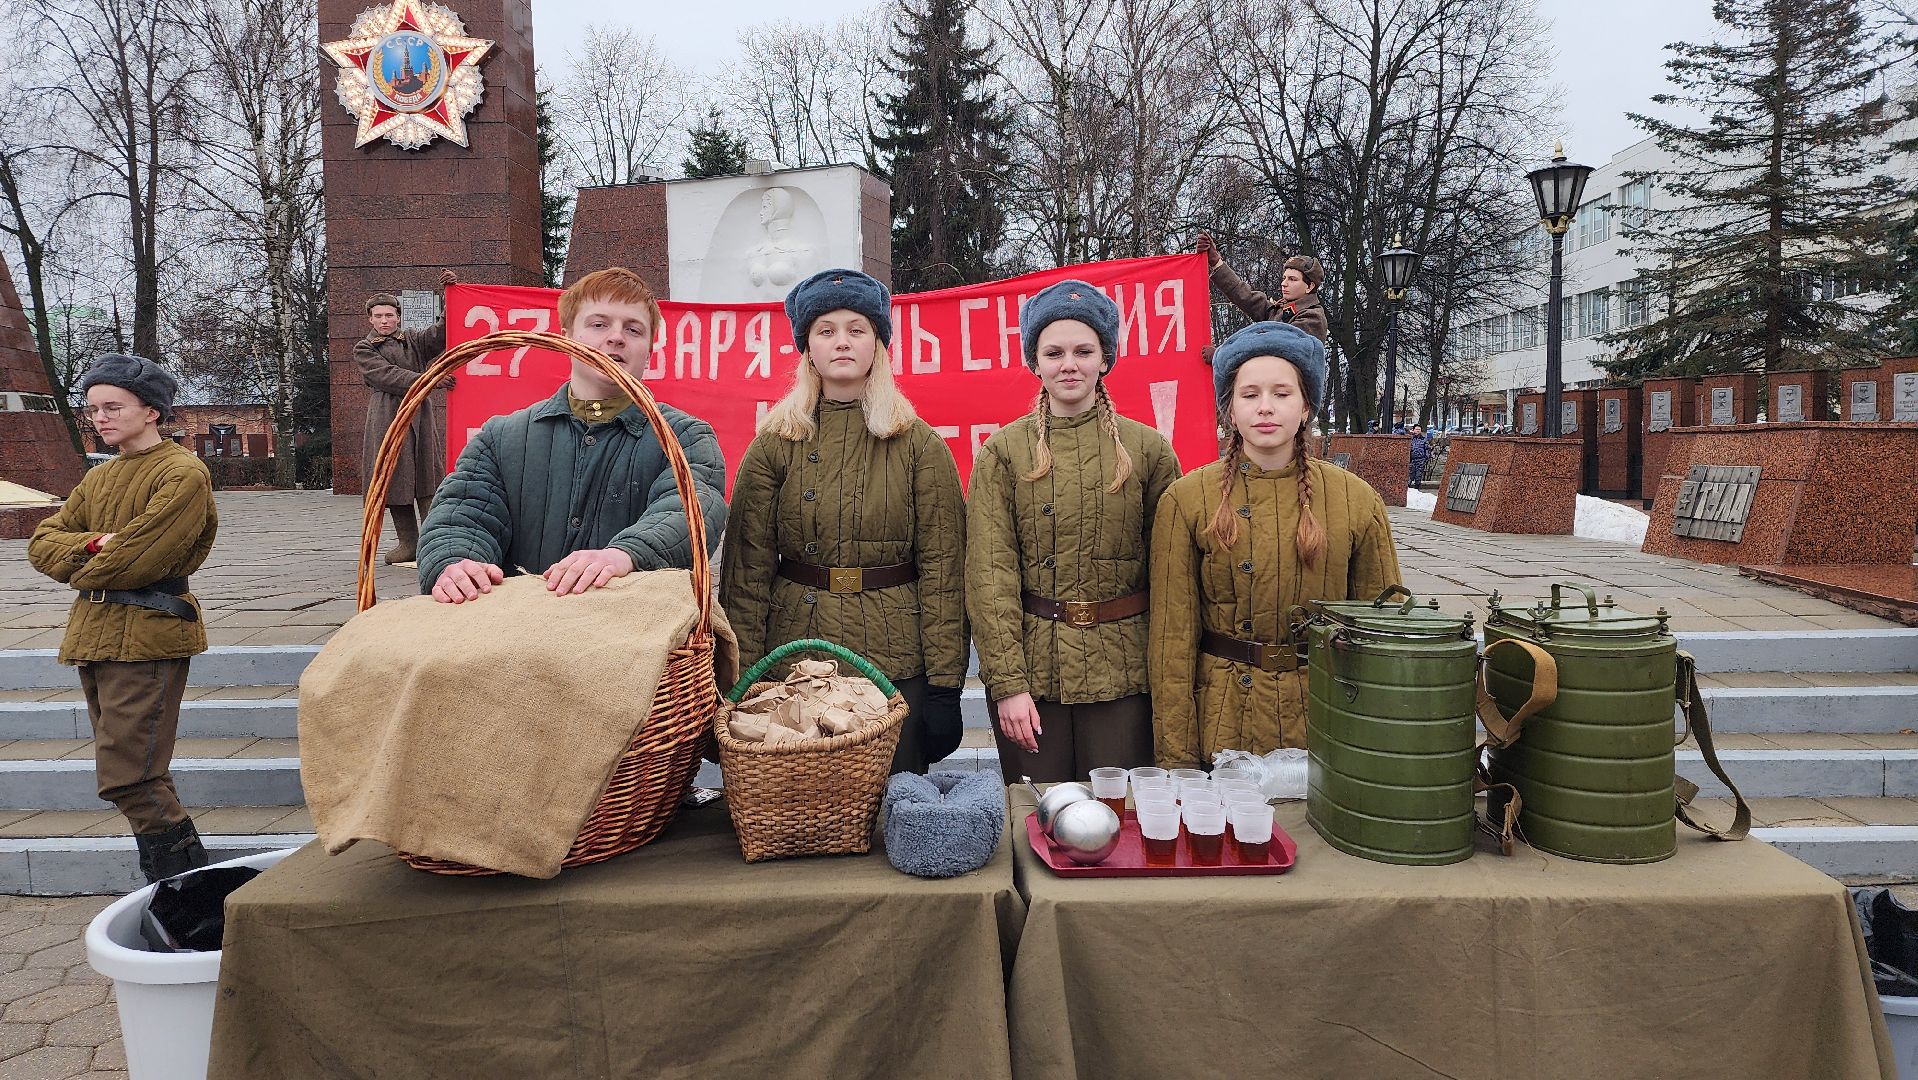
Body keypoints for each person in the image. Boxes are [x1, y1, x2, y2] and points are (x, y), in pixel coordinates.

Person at [719, 269, 967, 774]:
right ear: (807, 346)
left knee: (890, 818)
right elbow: (747, 574)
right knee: (807, 814)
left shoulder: (919, 445)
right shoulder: (773, 445)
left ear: (878, 343)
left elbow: (945, 573)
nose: (842, 343)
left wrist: (945, 685)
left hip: (896, 660)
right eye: (826, 330)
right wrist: (737, 681)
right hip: (796, 658)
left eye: (857, 329)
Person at [1148, 321, 1403, 768]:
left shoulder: (1356, 501)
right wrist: (1177, 758)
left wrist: (1377, 739)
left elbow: (1382, 635)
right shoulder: (1187, 500)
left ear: (1306, 407)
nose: (1265, 408)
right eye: (1250, 395)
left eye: (1282, 394)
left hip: (1324, 720)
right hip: (1222, 719)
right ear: (1229, 409)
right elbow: (1172, 641)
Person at [966, 280, 1182, 783]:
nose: (1069, 364)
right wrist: (1008, 685)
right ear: (1034, 361)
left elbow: (1172, 578)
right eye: (1054, 352)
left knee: (1119, 822)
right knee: (1042, 819)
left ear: (1105, 358)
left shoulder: (1148, 452)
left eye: (1083, 351)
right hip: (1034, 678)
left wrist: (1168, 680)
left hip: (1124, 677)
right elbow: (989, 575)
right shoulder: (1004, 453)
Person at [418, 266, 727, 602]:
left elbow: (691, 511)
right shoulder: (501, 437)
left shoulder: (685, 437)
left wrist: (625, 555)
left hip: (634, 635)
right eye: (599, 324)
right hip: (514, 636)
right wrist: (454, 563)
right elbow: (462, 514)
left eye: (634, 330)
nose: (616, 337)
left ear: (649, 350)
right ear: (565, 337)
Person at [27, 355, 219, 882]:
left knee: (128, 776)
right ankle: (182, 893)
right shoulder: (101, 477)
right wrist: (91, 543)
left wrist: (90, 558)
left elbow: (134, 561)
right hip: (95, 635)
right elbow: (41, 542)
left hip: (149, 634)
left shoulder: (182, 474)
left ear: (152, 410)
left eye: (113, 407)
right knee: (137, 774)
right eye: (93, 409)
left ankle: (188, 891)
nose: (101, 418)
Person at [356, 270, 457, 564]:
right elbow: (387, 376)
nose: (384, 321)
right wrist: (431, 378)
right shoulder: (364, 348)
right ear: (370, 320)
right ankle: (408, 543)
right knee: (395, 479)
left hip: (419, 416)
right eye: (378, 316)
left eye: (389, 315)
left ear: (398, 317)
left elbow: (441, 334)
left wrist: (451, 297)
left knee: (428, 477)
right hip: (386, 416)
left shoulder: (413, 340)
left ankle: (432, 540)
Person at [1194, 232, 1329, 342]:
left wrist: (1221, 354)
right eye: (1284, 278)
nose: (1284, 283)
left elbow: (1273, 345)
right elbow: (1243, 295)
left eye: (1292, 279)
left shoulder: (1312, 318)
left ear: (1309, 286)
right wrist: (1215, 261)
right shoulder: (1280, 310)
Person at [1409, 424, 1431, 489]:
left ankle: (1417, 490)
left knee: (1418, 477)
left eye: (1419, 429)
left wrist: (1426, 458)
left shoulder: (1424, 439)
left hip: (1420, 460)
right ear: (1413, 430)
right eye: (1416, 429)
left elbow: (1427, 449)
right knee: (1410, 476)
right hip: (1412, 461)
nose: (1418, 431)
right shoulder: (1410, 439)